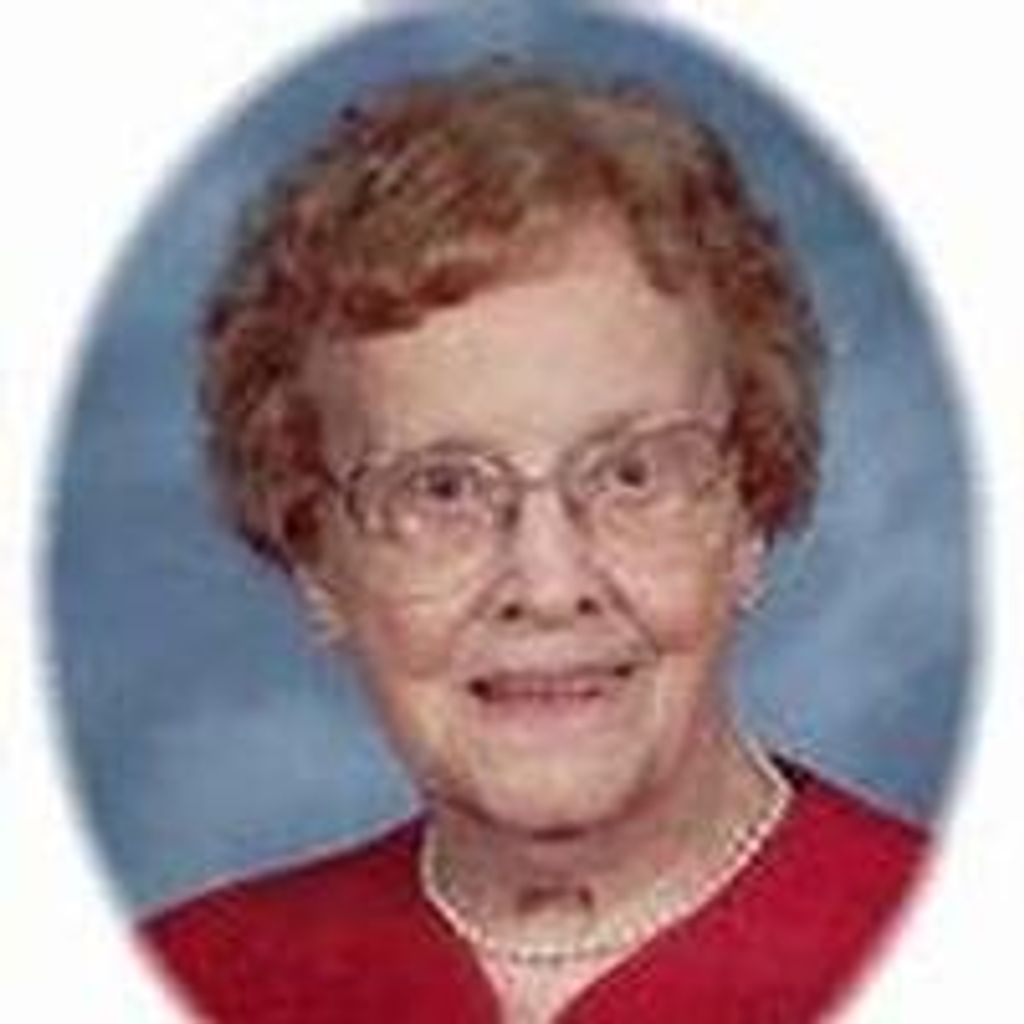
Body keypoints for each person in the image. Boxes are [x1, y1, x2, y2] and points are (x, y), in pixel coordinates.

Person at [141, 63, 927, 1023]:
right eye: (442, 488)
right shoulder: (186, 979)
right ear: (318, 567)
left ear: (751, 515)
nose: (549, 586)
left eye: (631, 474)